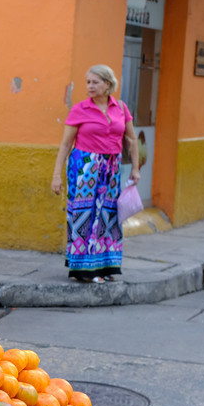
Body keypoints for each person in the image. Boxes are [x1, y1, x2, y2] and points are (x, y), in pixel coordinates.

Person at [51, 64, 140, 283]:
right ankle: (84, 270)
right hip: (84, 168)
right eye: (88, 82)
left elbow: (131, 139)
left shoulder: (120, 107)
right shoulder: (80, 109)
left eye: (95, 82)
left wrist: (136, 168)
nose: (90, 86)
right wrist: (56, 175)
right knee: (84, 215)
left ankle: (107, 266)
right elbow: (65, 145)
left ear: (108, 84)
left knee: (109, 217)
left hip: (111, 168)